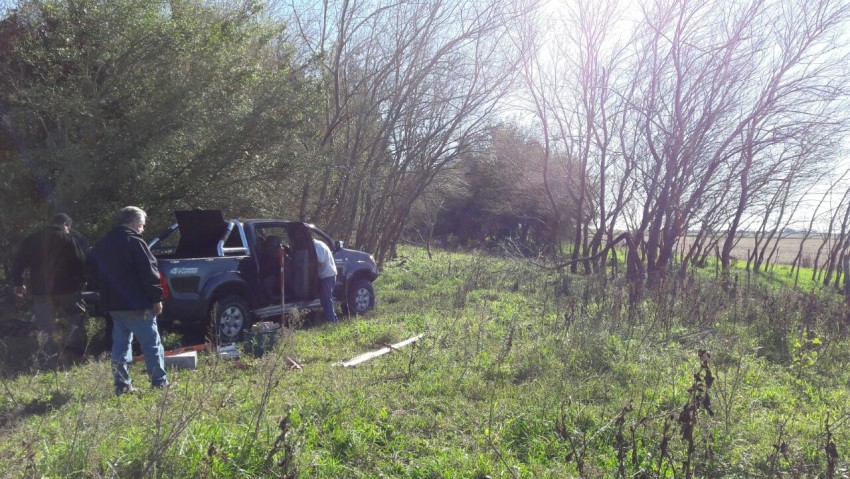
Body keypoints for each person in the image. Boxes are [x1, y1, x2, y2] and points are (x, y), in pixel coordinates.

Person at [89, 206, 169, 395]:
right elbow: (149, 272)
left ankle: (122, 386)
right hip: (137, 305)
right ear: (134, 222)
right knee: (151, 344)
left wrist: (103, 290)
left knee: (121, 347)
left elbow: (89, 267)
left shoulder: (104, 243)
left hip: (113, 305)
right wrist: (156, 298)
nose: (142, 229)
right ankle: (159, 383)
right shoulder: (134, 241)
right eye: (142, 225)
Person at [12, 213, 88, 369]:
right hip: (67, 288)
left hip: (41, 289)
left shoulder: (32, 239)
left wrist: (18, 283)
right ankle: (71, 347)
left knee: (44, 323)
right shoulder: (67, 239)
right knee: (76, 313)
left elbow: (19, 262)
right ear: (65, 225)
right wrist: (83, 280)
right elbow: (80, 261)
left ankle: (48, 356)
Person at [313, 238, 338, 323]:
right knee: (324, 299)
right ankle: (328, 317)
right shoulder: (319, 244)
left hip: (327, 275)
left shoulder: (317, 246)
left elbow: (320, 259)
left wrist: (310, 256)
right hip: (328, 274)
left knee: (327, 299)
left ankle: (332, 320)